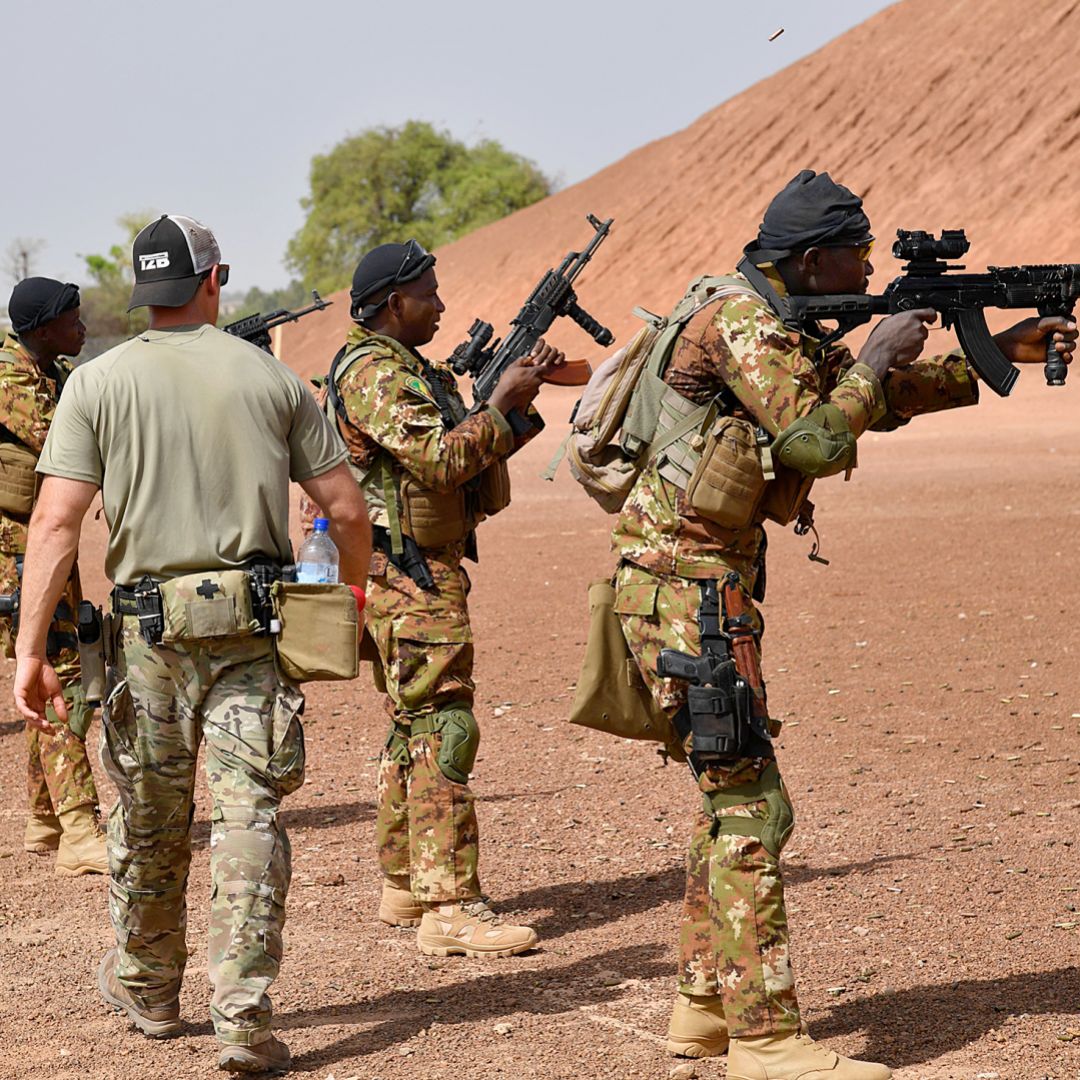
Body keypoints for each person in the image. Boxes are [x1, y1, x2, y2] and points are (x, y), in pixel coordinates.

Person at [603, 171, 1076, 1080]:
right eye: (857, 254)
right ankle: (766, 1040)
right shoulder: (743, 322)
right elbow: (815, 440)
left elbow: (852, 407)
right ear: (814, 260)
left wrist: (988, 351)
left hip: (697, 583)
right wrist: (876, 351)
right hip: (684, 588)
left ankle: (704, 1008)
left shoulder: (767, 319)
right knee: (750, 805)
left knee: (727, 799)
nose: (867, 265)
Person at [12, 213, 371, 1075]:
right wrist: (348, 598)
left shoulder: (95, 384)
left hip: (146, 638)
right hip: (252, 630)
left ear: (143, 291)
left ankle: (149, 988)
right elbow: (348, 511)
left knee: (149, 816)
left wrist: (28, 649)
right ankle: (243, 1018)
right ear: (215, 280)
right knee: (250, 813)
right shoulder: (273, 380)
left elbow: (55, 522)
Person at [308, 240, 562, 958]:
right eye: (429, 292)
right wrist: (503, 402)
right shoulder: (375, 374)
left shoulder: (401, 367)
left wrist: (512, 409)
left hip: (409, 567)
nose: (442, 305)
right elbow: (442, 460)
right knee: (444, 724)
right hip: (408, 574)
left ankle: (407, 882)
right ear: (394, 303)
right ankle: (448, 904)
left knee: (409, 723)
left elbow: (459, 452)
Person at [0, 277, 106, 875]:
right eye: (73, 318)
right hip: (15, 552)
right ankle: (78, 827)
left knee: (56, 664)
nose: (83, 325)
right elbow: (67, 443)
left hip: (43, 548)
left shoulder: (57, 376)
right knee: (56, 671)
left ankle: (44, 818)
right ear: (42, 330)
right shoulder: (10, 379)